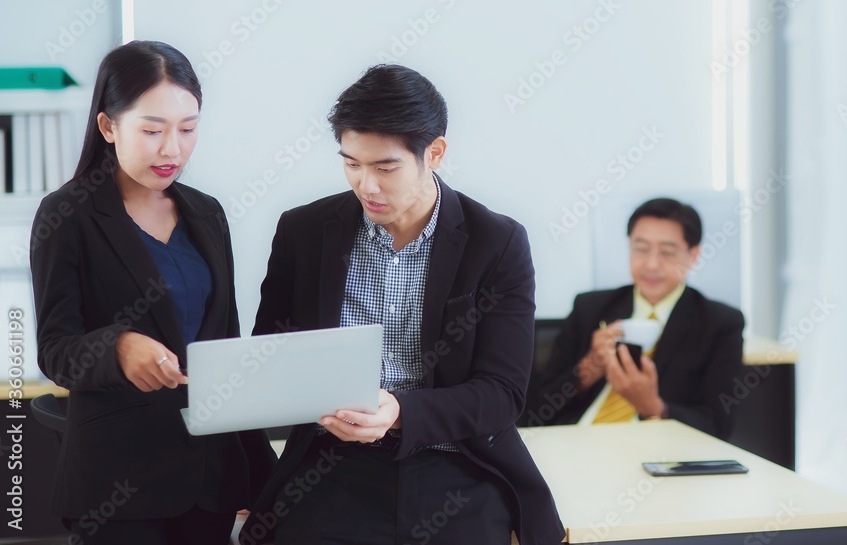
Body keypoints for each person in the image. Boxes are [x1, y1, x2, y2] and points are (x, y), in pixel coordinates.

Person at [240, 64, 564, 545]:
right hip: (331, 465)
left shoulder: (495, 241)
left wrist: (400, 412)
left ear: (434, 153)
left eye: (385, 167)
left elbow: (502, 392)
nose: (365, 185)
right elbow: (272, 352)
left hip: (457, 461)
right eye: (352, 163)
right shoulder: (303, 232)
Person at [31, 40, 274, 544]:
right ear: (108, 127)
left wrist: (259, 474)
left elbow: (223, 346)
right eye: (152, 130)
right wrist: (117, 347)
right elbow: (56, 352)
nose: (172, 149)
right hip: (117, 484)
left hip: (209, 479)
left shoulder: (206, 213)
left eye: (188, 129)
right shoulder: (68, 216)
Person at [527, 198, 744, 440]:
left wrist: (653, 407)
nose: (651, 264)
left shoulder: (720, 323)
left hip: (657, 452)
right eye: (641, 248)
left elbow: (718, 427)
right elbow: (538, 408)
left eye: (667, 252)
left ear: (693, 255)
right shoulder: (590, 308)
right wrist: (591, 365)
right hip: (578, 439)